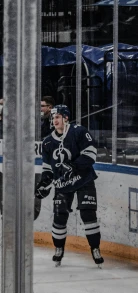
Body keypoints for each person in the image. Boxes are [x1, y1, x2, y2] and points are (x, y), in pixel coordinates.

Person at [35, 104, 103, 266]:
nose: (54, 120)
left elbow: (91, 153)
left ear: (66, 118)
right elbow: (47, 169)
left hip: (84, 180)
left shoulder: (79, 131)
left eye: (57, 117)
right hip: (63, 185)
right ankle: (59, 248)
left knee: (88, 214)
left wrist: (74, 166)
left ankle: (95, 248)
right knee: (59, 218)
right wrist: (44, 183)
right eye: (52, 117)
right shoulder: (47, 142)